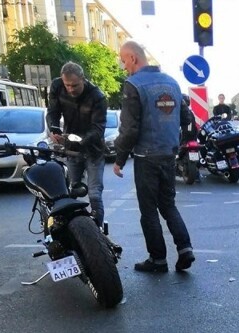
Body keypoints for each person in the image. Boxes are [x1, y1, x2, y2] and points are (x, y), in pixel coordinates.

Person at [113, 41, 194, 273]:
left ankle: (158, 260)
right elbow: (186, 117)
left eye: (123, 59)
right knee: (168, 205)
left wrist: (119, 159)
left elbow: (129, 128)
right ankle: (185, 248)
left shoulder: (133, 85)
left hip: (146, 157)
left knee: (148, 211)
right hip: (169, 154)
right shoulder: (172, 82)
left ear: (133, 58)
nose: (122, 65)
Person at [46, 61, 107, 228]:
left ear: (83, 79)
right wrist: (54, 128)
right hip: (71, 151)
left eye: (74, 85)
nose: (71, 89)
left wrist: (82, 141)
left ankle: (97, 232)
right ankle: (72, 230)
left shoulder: (97, 96)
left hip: (93, 150)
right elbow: (52, 111)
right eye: (67, 85)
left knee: (94, 193)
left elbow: (98, 128)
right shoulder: (57, 86)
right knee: (71, 191)